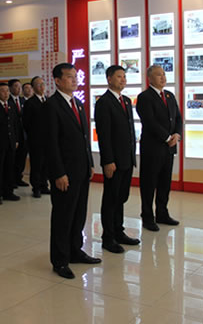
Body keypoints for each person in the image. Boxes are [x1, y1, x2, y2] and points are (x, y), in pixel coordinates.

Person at [43, 63, 99, 279]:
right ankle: (60, 260)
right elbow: (50, 143)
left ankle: (75, 250)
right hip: (65, 172)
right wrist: (58, 173)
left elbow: (84, 138)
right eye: (69, 77)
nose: (75, 80)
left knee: (79, 213)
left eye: (76, 76)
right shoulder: (52, 106)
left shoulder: (78, 104)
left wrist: (89, 163)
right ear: (57, 81)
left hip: (81, 169)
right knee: (63, 216)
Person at [94, 65, 140, 253]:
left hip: (127, 158)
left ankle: (119, 231)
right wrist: (108, 160)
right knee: (111, 199)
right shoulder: (104, 102)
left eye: (124, 76)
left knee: (121, 197)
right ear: (109, 79)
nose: (123, 80)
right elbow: (104, 135)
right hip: (114, 160)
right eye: (119, 76)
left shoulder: (126, 101)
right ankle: (108, 237)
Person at [136, 65, 183, 232]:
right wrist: (167, 137)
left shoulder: (169, 95)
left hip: (169, 148)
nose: (163, 77)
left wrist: (177, 134)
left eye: (164, 74)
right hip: (153, 148)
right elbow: (149, 121)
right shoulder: (144, 97)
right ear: (149, 78)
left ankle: (162, 213)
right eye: (158, 75)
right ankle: (147, 217)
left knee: (165, 182)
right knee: (149, 183)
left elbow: (178, 118)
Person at [22, 76, 49, 198]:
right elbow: (26, 123)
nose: (42, 87)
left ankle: (44, 185)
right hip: (36, 140)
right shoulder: (30, 103)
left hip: (48, 139)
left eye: (43, 84)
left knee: (46, 164)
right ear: (33, 87)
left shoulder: (48, 100)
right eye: (38, 85)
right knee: (37, 164)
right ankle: (36, 187)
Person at [8, 79, 28, 187]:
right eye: (16, 86)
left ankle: (19, 177)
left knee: (21, 157)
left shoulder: (23, 100)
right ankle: (11, 180)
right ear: (10, 88)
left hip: (23, 134)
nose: (19, 89)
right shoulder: (8, 100)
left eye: (20, 86)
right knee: (12, 159)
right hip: (13, 135)